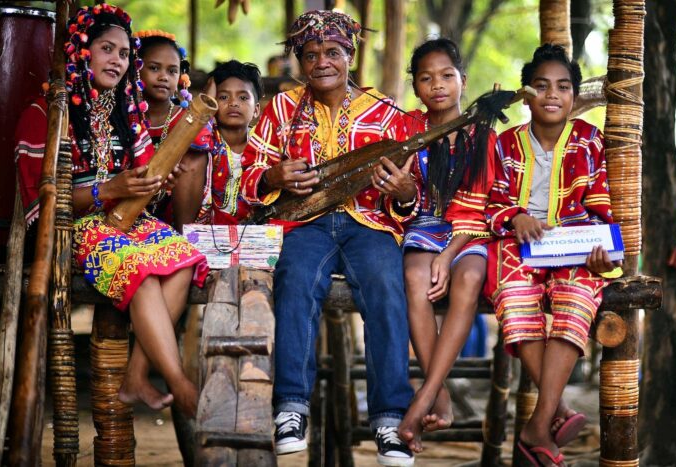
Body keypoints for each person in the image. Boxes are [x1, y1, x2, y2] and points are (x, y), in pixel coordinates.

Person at [15, 4, 208, 419]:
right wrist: (109, 190)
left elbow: (142, 190)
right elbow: (44, 201)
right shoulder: (46, 114)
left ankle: (137, 374)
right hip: (75, 228)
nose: (117, 61)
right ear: (82, 52)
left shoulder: (127, 113)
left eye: (124, 55)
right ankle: (178, 382)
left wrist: (154, 184)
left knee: (184, 261)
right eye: (107, 49)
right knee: (141, 271)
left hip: (129, 222)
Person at [240, 10, 417, 466]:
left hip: (369, 224)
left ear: (351, 55)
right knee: (295, 279)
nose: (322, 62)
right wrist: (274, 175)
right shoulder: (280, 108)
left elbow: (411, 194)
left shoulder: (387, 112)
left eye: (333, 52)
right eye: (311, 54)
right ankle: (291, 409)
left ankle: (389, 419)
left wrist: (402, 192)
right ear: (299, 60)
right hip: (304, 224)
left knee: (385, 285)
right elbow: (248, 179)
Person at [484, 43, 620, 466]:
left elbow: (601, 206)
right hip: (519, 247)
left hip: (573, 248)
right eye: (541, 86)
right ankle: (552, 413)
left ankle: (537, 425)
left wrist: (604, 253)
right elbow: (489, 200)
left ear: (574, 97)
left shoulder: (589, 141)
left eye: (563, 87)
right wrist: (516, 215)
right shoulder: (505, 144)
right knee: (512, 294)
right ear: (526, 94)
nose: (552, 95)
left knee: (578, 297)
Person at [397, 38, 496, 453]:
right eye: (426, 78)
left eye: (446, 76)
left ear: (463, 80)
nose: (437, 85)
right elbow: (404, 201)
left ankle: (426, 394)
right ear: (416, 87)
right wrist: (401, 191)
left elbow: (479, 204)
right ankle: (440, 396)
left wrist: (449, 255)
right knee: (414, 277)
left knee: (469, 278)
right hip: (423, 224)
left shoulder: (482, 135)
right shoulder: (407, 130)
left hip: (468, 229)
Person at [135, 29, 210, 231]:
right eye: (154, 68)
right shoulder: (124, 116)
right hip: (128, 202)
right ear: (136, 69)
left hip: (173, 208)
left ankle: (182, 237)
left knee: (194, 157)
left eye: (172, 71)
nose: (163, 77)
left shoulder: (189, 117)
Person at [201, 59, 261, 224]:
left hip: (255, 234)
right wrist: (206, 103)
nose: (233, 103)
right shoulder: (205, 141)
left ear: (256, 110)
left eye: (243, 97)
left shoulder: (263, 145)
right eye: (223, 96)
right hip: (205, 231)